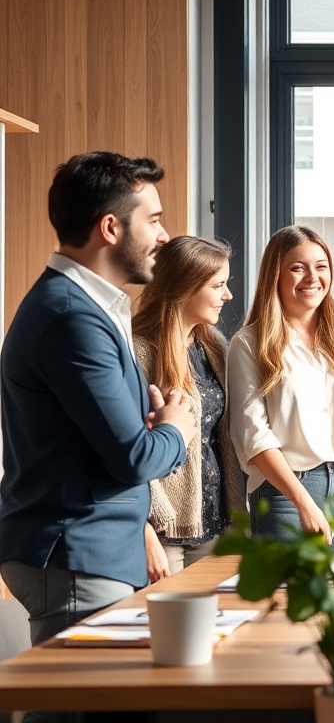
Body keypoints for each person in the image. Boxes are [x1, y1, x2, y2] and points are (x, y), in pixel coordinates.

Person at [0, 151, 195, 646]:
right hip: (77, 556)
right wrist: (176, 429)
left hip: (89, 554)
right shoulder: (72, 316)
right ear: (111, 227)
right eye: (152, 220)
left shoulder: (87, 307)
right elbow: (134, 457)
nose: (164, 235)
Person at [227, 226, 334, 554]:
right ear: (275, 274)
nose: (312, 277)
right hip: (284, 494)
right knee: (288, 601)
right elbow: (254, 436)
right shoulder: (248, 344)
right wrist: (302, 502)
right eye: (298, 267)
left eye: (321, 266)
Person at [132, 236, 247, 580]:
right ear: (184, 288)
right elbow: (124, 447)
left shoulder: (215, 349)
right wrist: (146, 528)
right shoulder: (138, 352)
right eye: (219, 285)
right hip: (163, 529)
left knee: (214, 630)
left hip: (214, 522)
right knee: (165, 632)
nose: (228, 295)